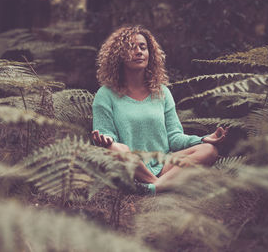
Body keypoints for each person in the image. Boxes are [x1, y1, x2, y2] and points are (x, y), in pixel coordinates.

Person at [91, 25, 227, 195]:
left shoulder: (161, 92)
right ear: (118, 55)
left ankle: (151, 188)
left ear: (150, 53)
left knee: (209, 150)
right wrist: (106, 140)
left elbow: (174, 137)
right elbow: (107, 137)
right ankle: (157, 184)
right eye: (131, 47)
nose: (139, 51)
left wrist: (203, 139)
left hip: (163, 163)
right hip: (130, 168)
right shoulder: (105, 95)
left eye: (143, 47)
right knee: (116, 149)